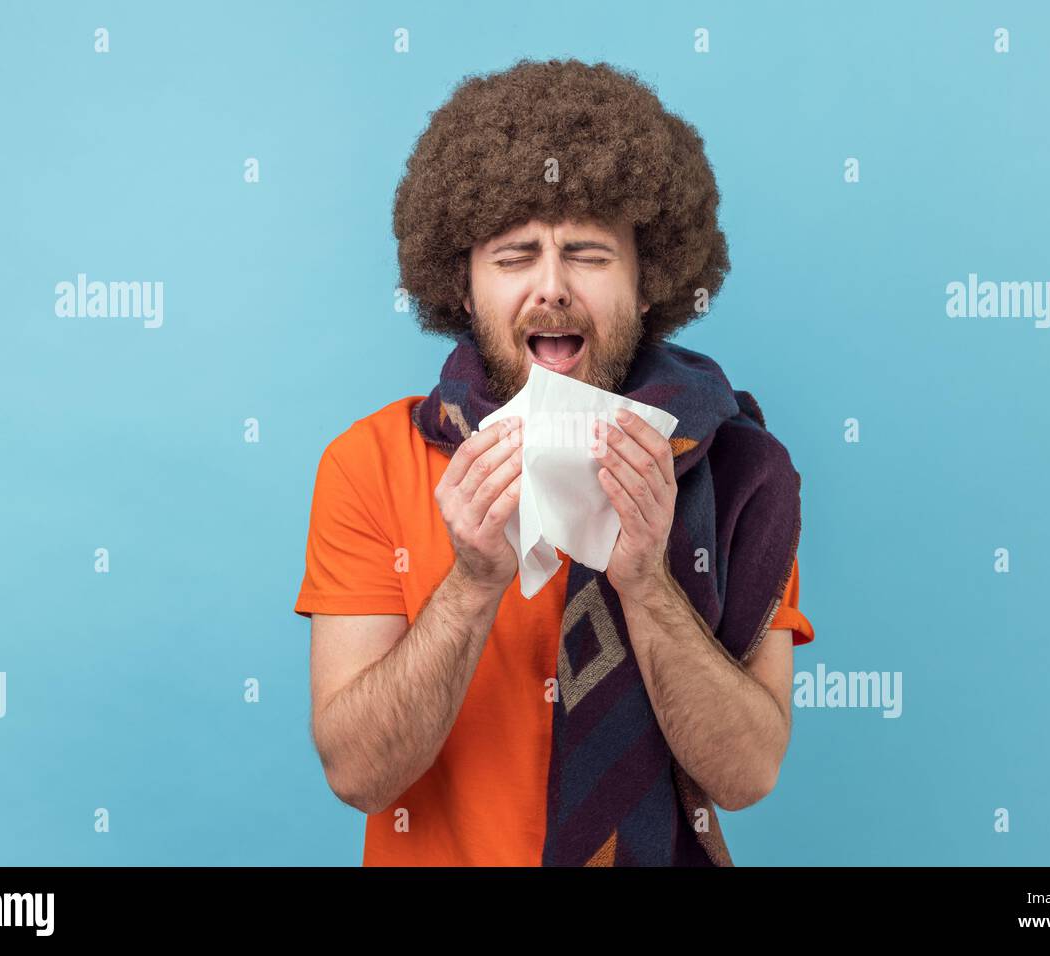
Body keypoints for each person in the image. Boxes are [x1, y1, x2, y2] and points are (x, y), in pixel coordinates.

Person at [295, 57, 814, 866]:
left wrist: (647, 583)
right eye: (514, 257)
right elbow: (359, 776)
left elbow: (746, 775)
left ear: (648, 282)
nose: (551, 288)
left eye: (589, 254)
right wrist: (471, 585)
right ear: (463, 286)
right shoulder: (370, 464)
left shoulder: (736, 471)